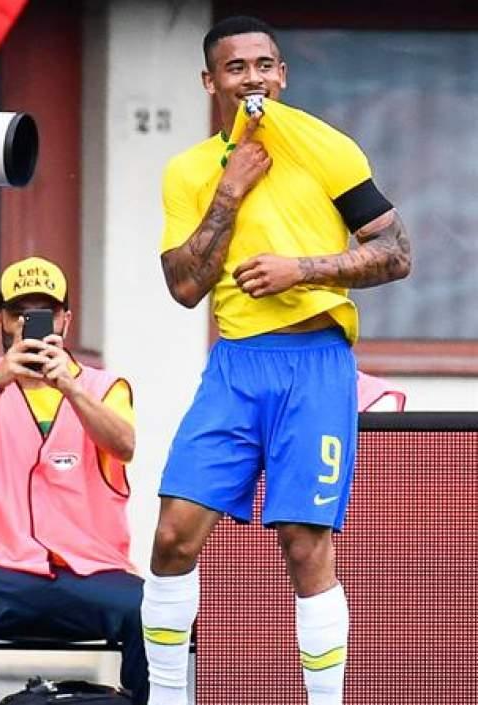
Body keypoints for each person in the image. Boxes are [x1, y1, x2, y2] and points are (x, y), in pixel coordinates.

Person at [143, 16, 412, 705]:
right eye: (236, 69)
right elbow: (183, 286)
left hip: (317, 362)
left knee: (304, 542)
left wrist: (303, 270)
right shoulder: (191, 170)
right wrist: (229, 190)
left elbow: (396, 252)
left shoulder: (328, 148)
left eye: (265, 65)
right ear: (212, 83)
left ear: (283, 74)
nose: (253, 79)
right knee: (173, 534)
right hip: (235, 365)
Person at [0, 256, 146, 705]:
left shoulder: (105, 386)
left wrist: (72, 388)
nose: (30, 323)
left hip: (91, 571)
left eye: (43, 312)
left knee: (153, 608)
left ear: (65, 318)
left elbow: (125, 446)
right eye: (18, 313)